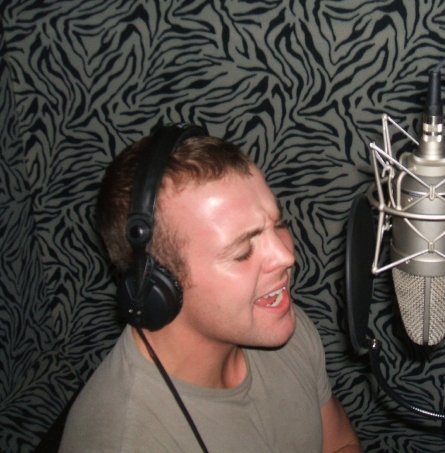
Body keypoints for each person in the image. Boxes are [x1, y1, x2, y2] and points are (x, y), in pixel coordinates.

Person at [59, 125, 362, 452]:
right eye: (242, 250)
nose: (286, 256)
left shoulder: (279, 322)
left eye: (279, 224)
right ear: (160, 286)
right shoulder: (128, 441)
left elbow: (340, 443)